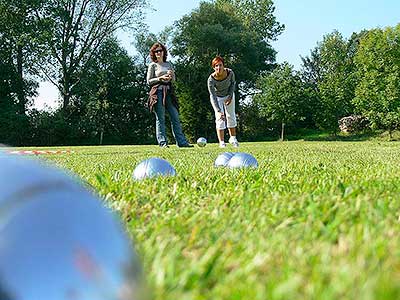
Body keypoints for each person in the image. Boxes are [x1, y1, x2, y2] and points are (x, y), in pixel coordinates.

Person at [147, 42, 192, 148]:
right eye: (156, 51)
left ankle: (181, 142)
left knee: (175, 116)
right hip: (157, 92)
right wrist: (160, 79)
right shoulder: (152, 65)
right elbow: (148, 81)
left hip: (169, 92)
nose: (158, 53)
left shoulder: (169, 64)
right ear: (153, 53)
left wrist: (172, 76)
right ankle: (163, 143)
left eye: (160, 50)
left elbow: (174, 80)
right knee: (160, 118)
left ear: (164, 52)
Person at [207, 56, 239, 148]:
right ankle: (221, 142)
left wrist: (230, 97)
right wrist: (218, 110)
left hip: (228, 95)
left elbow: (233, 84)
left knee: (231, 116)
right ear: (214, 67)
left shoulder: (230, 73)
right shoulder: (211, 79)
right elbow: (212, 95)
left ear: (223, 66)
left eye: (220, 65)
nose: (219, 68)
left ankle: (233, 138)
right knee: (220, 118)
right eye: (216, 66)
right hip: (217, 97)